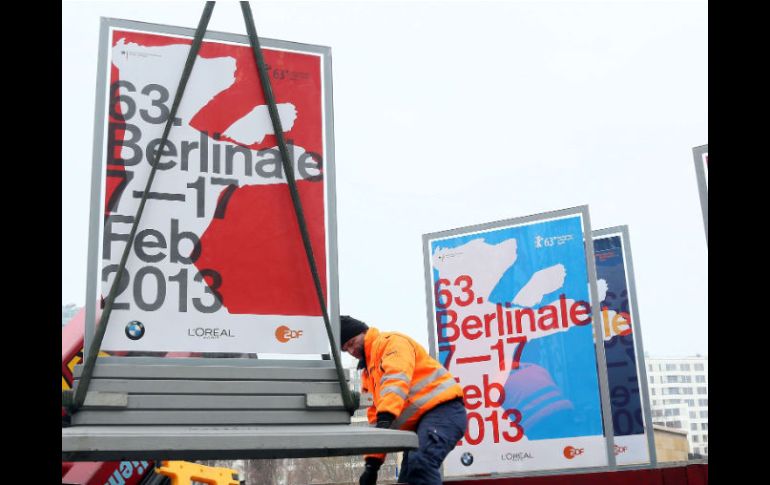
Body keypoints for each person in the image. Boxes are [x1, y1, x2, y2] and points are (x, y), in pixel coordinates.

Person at [340, 315, 467, 485]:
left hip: (444, 411)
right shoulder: (368, 373)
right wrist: (372, 465)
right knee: (408, 478)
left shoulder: (391, 343)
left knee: (421, 463)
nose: (351, 351)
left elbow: (395, 379)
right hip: (422, 423)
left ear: (363, 332)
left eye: (351, 343)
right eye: (345, 349)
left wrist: (386, 415)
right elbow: (374, 419)